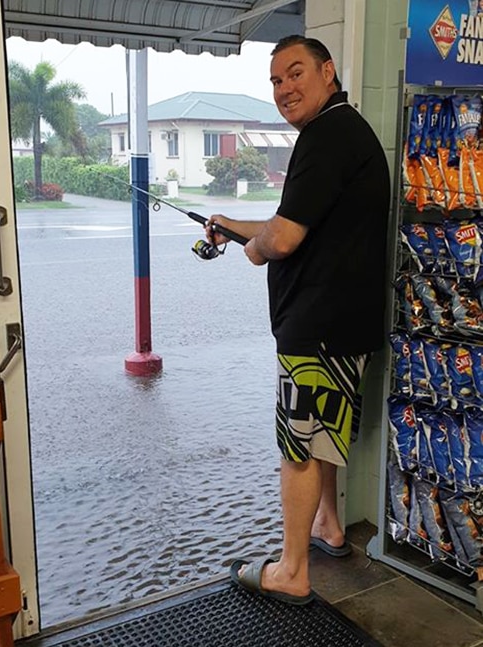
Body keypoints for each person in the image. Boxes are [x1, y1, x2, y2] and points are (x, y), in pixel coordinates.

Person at [206, 34, 390, 605]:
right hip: (342, 322)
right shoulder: (342, 129)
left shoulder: (326, 136)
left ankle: (291, 570)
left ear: (327, 71)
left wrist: (255, 249)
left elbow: (281, 238)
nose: (284, 88)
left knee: (300, 445)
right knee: (323, 431)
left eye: (295, 73)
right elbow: (296, 220)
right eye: (275, 81)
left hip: (319, 326)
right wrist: (231, 225)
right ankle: (329, 528)